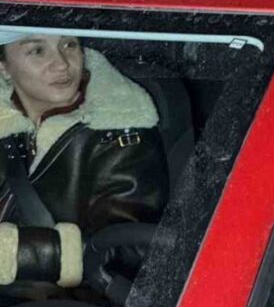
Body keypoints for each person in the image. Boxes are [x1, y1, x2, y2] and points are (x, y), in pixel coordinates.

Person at [0, 33, 168, 291]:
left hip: (60, 304)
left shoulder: (123, 132)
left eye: (69, 45)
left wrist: (16, 254)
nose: (62, 64)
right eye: (37, 51)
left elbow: (129, 249)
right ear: (4, 68)